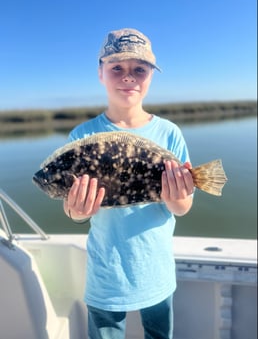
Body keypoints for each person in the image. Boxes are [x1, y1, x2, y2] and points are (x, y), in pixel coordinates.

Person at [63, 28, 194, 339]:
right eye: (116, 68)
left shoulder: (170, 133)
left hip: (157, 269)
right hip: (106, 274)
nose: (128, 77)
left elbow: (183, 207)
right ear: (100, 73)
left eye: (139, 69)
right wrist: (77, 210)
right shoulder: (81, 137)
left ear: (151, 75)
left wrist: (176, 195)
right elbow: (74, 213)